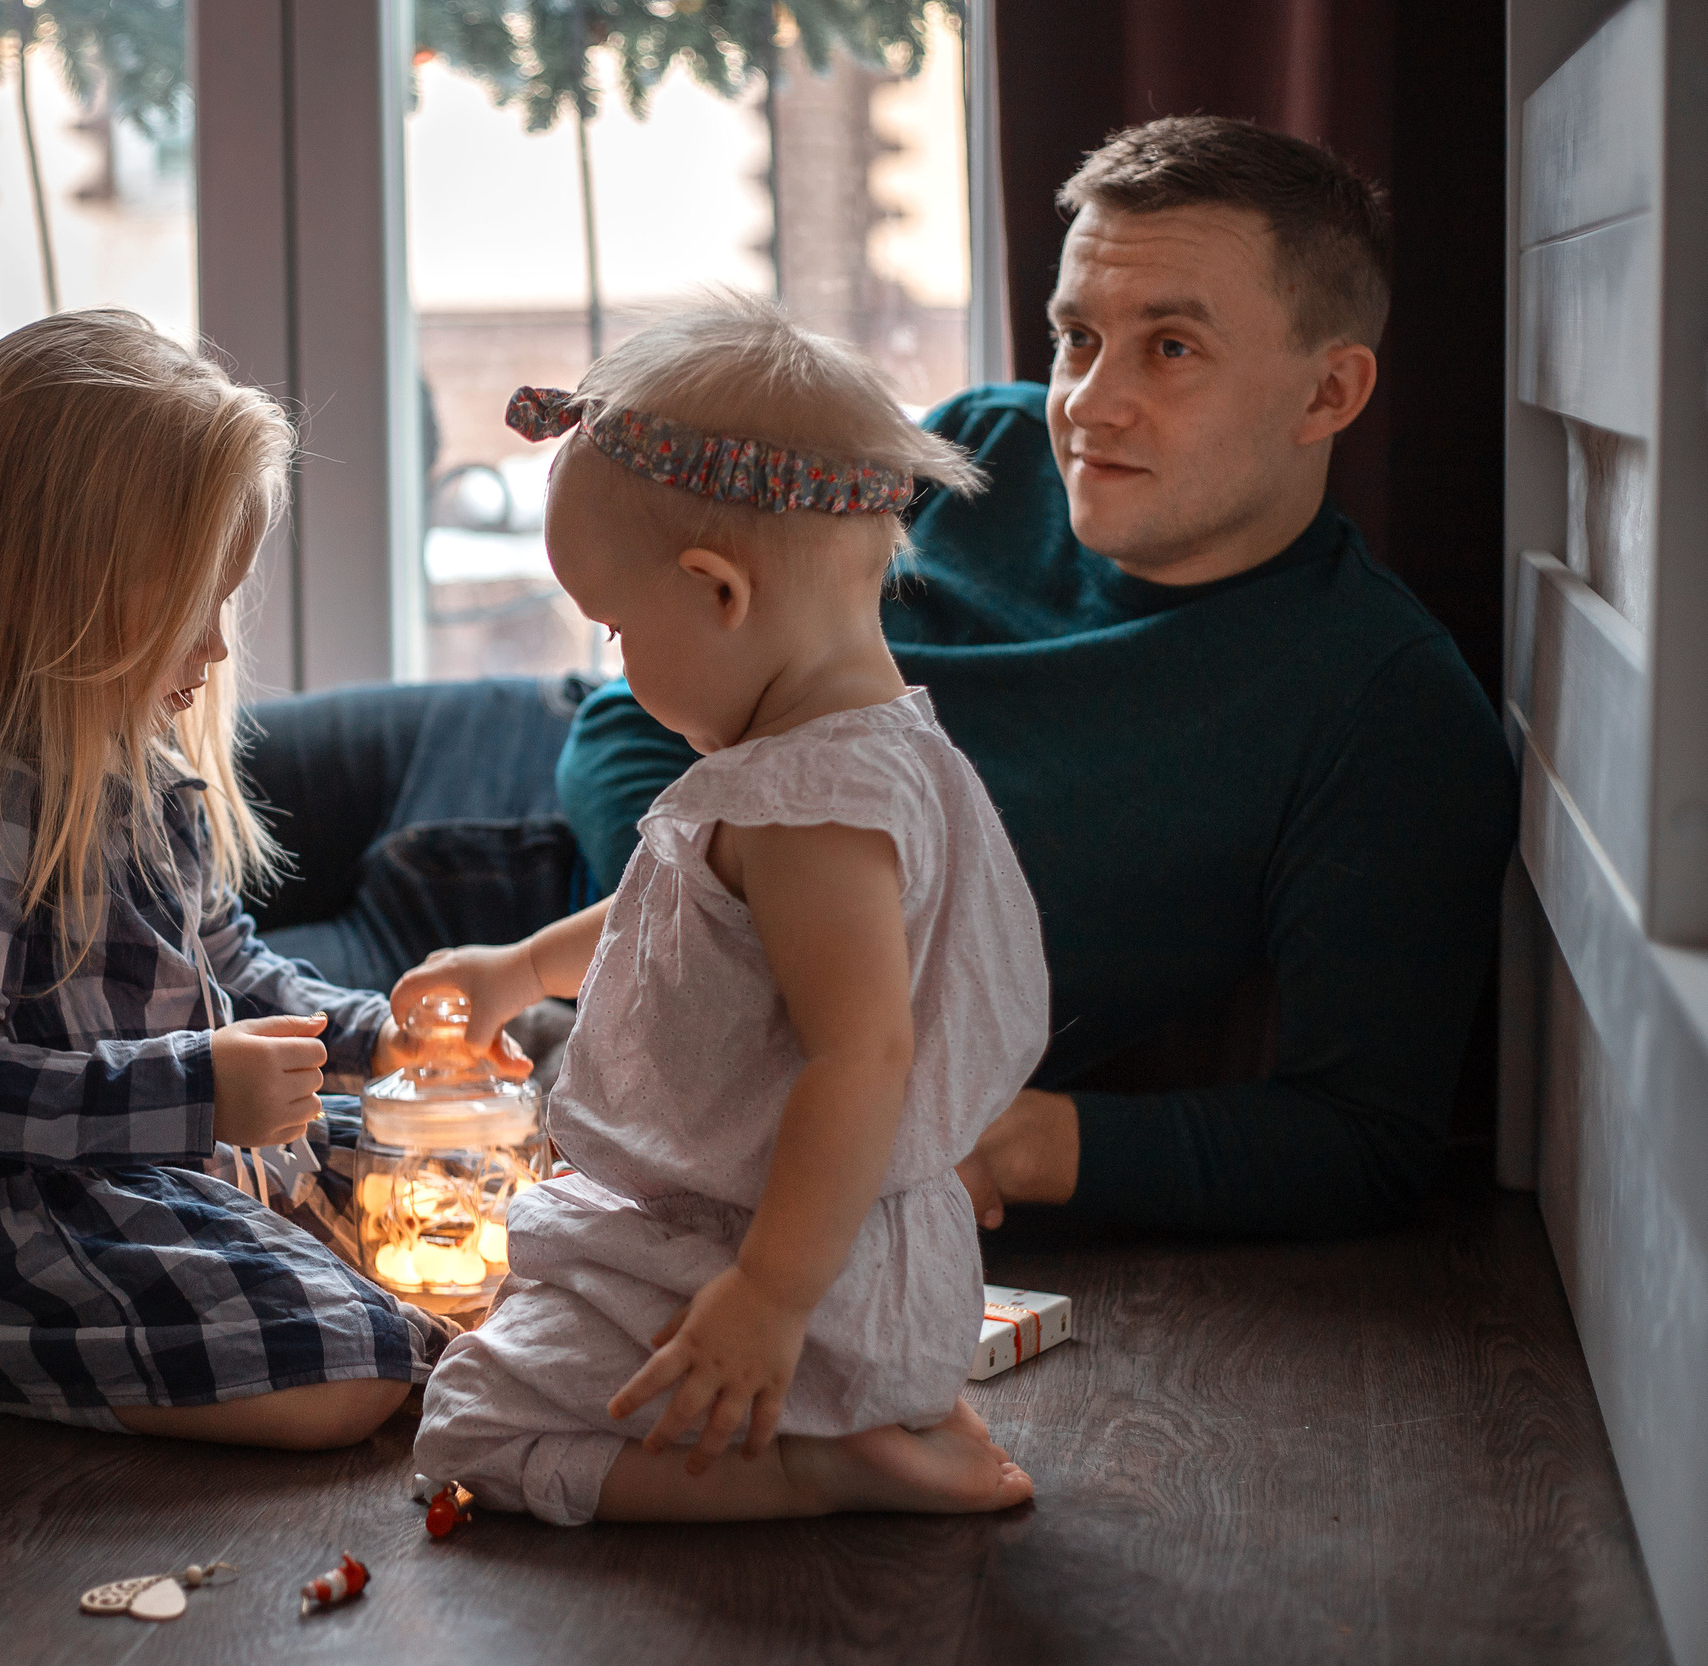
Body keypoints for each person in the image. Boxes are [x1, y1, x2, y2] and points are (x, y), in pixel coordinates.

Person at [555, 117, 1516, 1240]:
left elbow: (1361, 1141)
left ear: (1327, 396)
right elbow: (621, 713)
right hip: (529, 887)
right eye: (1075, 337)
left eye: (1169, 348)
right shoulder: (981, 450)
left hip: (685, 1122)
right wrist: (702, 937)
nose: (1086, 402)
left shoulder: (1382, 711)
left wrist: (1017, 1141)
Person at [0, 310, 519, 1449]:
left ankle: (355, 1310)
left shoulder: (144, 772)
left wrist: (389, 1041)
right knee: (349, 1367)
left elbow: (235, 969)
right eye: (198, 600)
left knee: (492, 1203)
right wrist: (190, 1092)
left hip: (190, 1169)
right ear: (59, 587)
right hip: (29, 1218)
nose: (220, 648)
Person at [402, 299, 1041, 1525]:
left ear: (717, 593)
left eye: (616, 625)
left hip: (787, 1268)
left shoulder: (808, 806)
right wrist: (521, 967)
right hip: (866, 1272)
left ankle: (820, 1463)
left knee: (471, 1419)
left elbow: (865, 1055)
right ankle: (881, 1413)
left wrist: (766, 1299)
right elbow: (678, 920)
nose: (612, 657)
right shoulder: (879, 753)